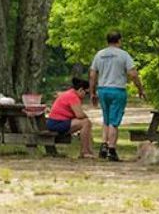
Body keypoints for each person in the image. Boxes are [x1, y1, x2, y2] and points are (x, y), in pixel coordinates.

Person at [90, 30, 146, 162]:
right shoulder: (123, 55)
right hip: (117, 90)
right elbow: (133, 74)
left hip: (103, 89)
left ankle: (103, 146)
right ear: (119, 40)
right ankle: (112, 150)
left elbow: (92, 74)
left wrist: (92, 92)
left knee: (106, 119)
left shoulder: (99, 55)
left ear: (107, 41)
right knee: (114, 122)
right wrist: (140, 89)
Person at [46, 77, 95, 158]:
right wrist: (86, 117)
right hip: (56, 124)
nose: (85, 96)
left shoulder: (70, 93)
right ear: (81, 90)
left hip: (57, 122)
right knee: (86, 123)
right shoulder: (73, 96)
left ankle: (88, 151)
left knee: (87, 123)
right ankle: (85, 152)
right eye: (86, 93)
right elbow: (79, 115)